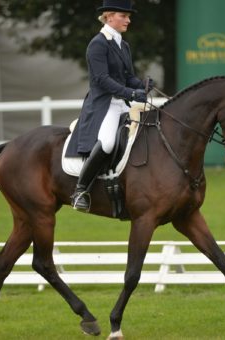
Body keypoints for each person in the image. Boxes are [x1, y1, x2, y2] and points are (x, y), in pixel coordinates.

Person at [66, 0, 150, 212]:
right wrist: (131, 93)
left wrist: (143, 85)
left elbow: (127, 77)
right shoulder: (98, 44)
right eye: (124, 16)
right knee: (107, 143)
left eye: (128, 17)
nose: (128, 20)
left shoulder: (123, 44)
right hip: (104, 104)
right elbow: (102, 79)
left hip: (122, 102)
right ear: (109, 16)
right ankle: (80, 190)